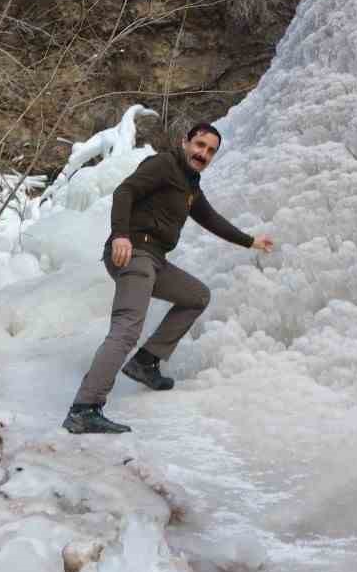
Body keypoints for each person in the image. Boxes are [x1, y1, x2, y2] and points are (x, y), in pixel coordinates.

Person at [63, 120, 274, 434]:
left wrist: (250, 241)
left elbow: (210, 218)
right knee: (126, 329)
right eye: (200, 145)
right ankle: (84, 409)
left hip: (155, 261)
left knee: (196, 296)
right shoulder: (164, 164)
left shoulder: (190, 184)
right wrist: (121, 235)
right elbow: (125, 191)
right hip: (133, 251)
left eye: (210, 151)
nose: (203, 153)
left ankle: (145, 362)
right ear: (185, 142)